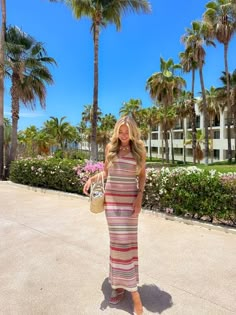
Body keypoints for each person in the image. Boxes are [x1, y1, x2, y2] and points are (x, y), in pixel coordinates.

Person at [83, 116, 146, 315]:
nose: (124, 135)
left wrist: (139, 197)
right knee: (117, 244)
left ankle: (131, 288)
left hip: (129, 204)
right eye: (121, 131)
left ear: (133, 132)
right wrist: (93, 178)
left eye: (127, 132)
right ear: (116, 132)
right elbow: (107, 173)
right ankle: (119, 286)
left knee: (128, 245)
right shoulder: (111, 150)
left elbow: (142, 175)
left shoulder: (139, 151)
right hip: (112, 204)